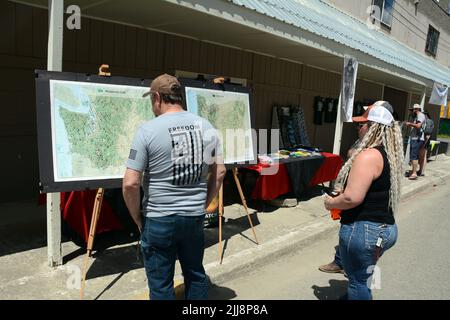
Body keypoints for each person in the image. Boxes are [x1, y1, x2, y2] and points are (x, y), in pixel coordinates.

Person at [122, 73, 226, 300]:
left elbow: (130, 184)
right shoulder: (207, 126)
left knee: (161, 285)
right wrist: (203, 203)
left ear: (157, 97)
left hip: (159, 219)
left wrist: (138, 219)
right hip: (193, 217)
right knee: (196, 275)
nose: (152, 105)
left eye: (152, 100)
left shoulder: (147, 131)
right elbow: (219, 173)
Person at [323, 104, 403, 300]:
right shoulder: (388, 154)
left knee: (358, 281)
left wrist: (331, 203)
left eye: (361, 125)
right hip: (385, 228)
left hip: (365, 230)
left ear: (372, 127)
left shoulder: (368, 155)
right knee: (362, 276)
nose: (358, 129)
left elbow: (352, 198)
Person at [405, 104, 426, 180]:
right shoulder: (418, 116)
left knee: (414, 156)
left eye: (412, 110)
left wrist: (410, 124)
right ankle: (414, 171)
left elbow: (418, 126)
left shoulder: (420, 115)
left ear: (416, 109)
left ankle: (414, 173)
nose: (411, 112)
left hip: (417, 139)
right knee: (415, 156)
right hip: (417, 139)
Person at [418, 111, 432, 176]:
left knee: (423, 156)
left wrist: (424, 144)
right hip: (425, 141)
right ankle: (421, 170)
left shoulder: (428, 121)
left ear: (426, 115)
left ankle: (421, 171)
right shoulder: (429, 121)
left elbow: (427, 135)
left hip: (425, 141)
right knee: (423, 156)